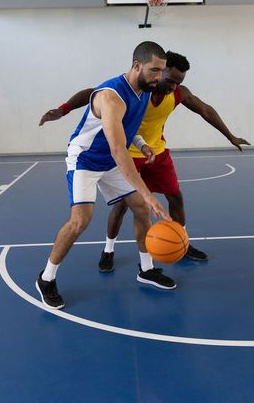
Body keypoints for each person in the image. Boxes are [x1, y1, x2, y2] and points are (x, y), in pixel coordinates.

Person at [40, 51, 250, 275]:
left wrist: (230, 136)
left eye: (175, 82)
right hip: (101, 155)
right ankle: (83, 261)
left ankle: (154, 263)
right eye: (163, 75)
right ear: (143, 67)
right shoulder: (122, 92)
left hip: (148, 151)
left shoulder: (154, 92)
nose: (170, 85)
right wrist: (63, 109)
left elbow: (204, 110)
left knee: (156, 202)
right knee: (95, 216)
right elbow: (111, 134)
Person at [36, 41, 177, 311]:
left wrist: (140, 143)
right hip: (86, 159)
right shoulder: (111, 96)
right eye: (154, 70)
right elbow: (116, 149)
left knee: (140, 209)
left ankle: (146, 269)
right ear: (137, 66)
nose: (159, 77)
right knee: (81, 221)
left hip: (111, 161)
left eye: (162, 71)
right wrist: (148, 194)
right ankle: (46, 278)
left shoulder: (145, 89)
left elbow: (125, 128)